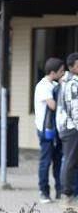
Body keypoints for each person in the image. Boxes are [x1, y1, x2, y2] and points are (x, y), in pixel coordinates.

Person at [34, 57, 65, 203]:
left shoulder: (52, 84)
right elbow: (53, 105)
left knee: (58, 160)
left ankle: (59, 190)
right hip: (46, 130)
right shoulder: (43, 86)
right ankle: (43, 191)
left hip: (56, 129)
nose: (63, 73)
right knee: (46, 161)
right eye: (61, 71)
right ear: (53, 72)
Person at [56, 53, 78, 204]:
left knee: (71, 161)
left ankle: (69, 195)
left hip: (69, 127)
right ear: (74, 66)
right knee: (70, 161)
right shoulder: (72, 83)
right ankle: (67, 196)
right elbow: (74, 109)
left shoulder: (68, 81)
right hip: (72, 128)